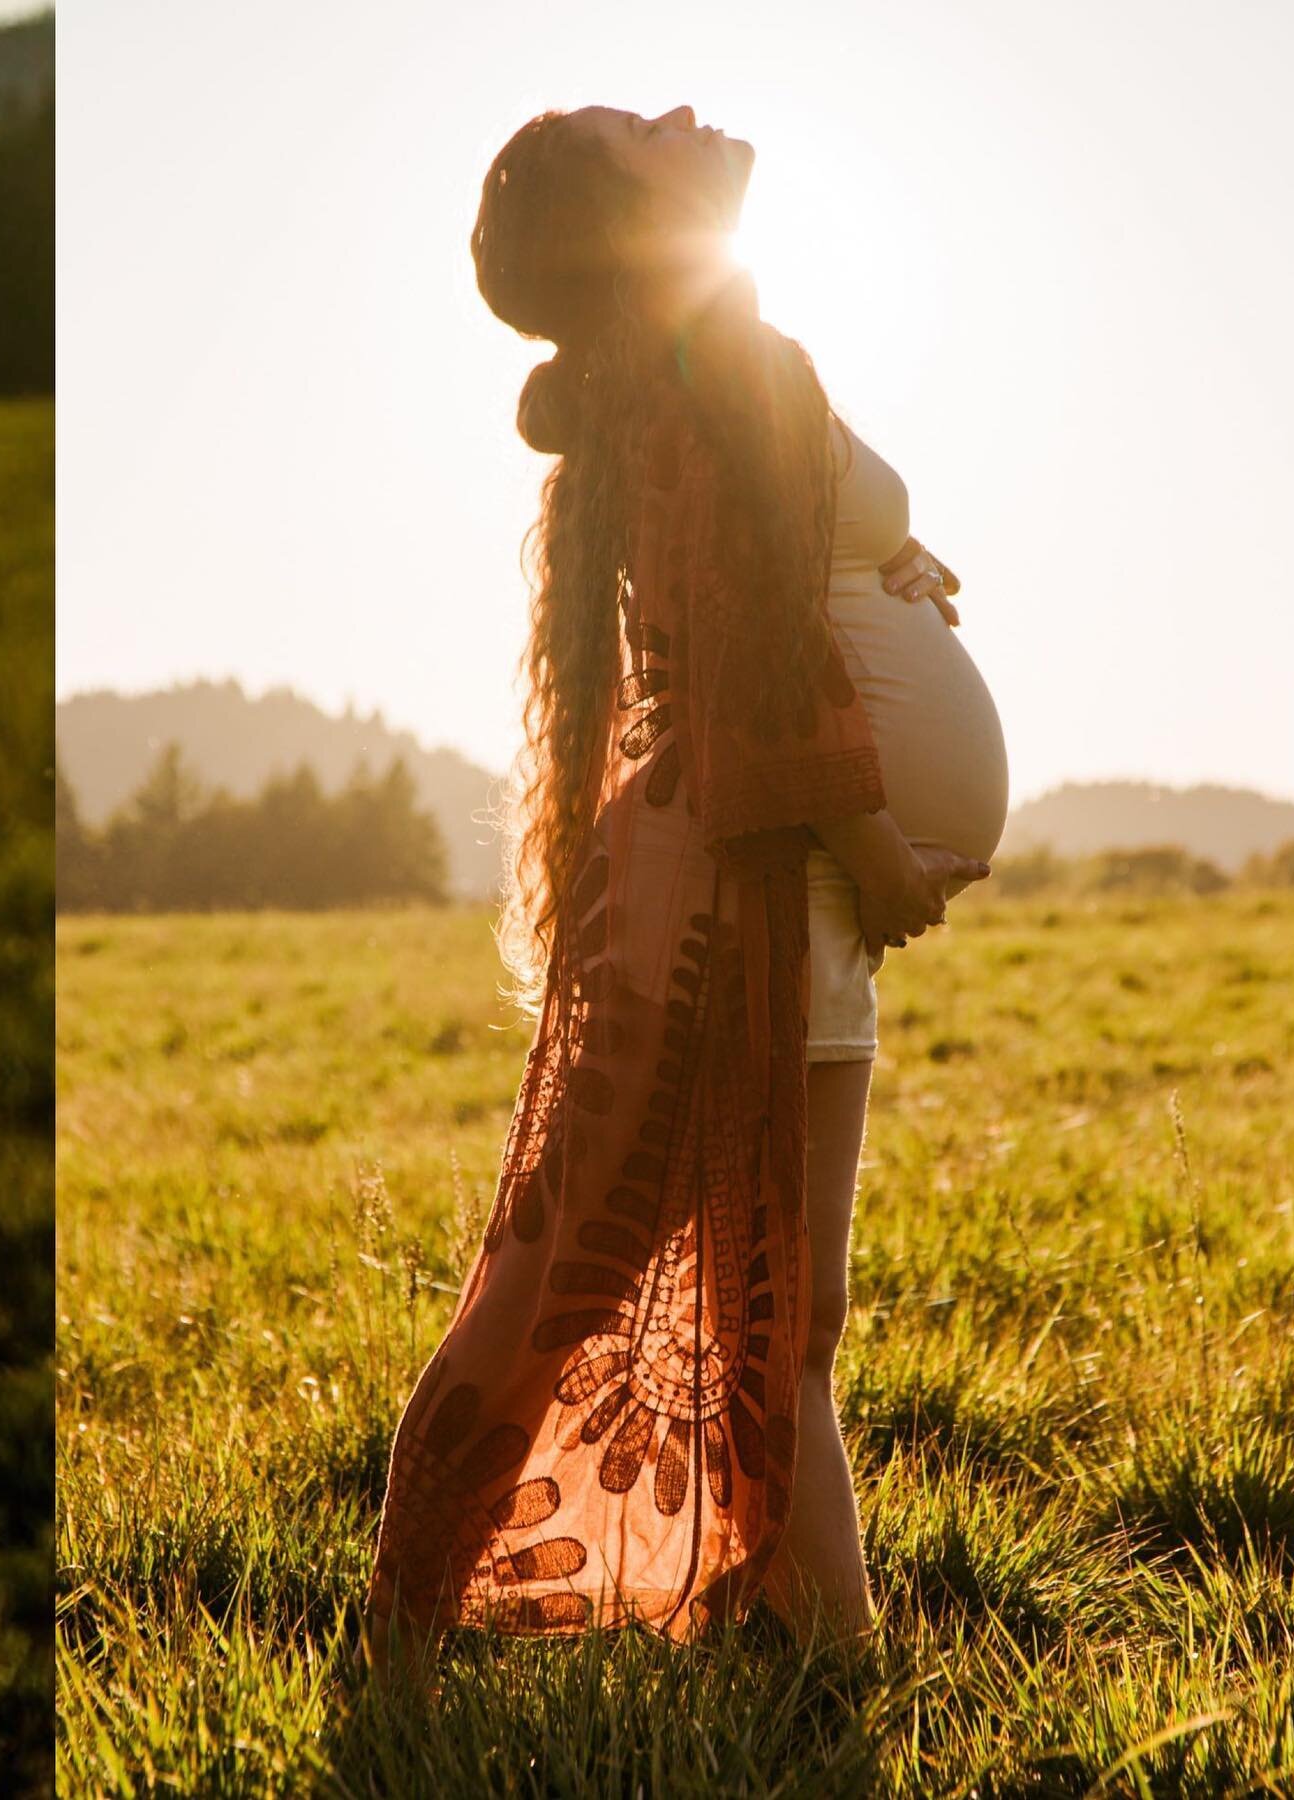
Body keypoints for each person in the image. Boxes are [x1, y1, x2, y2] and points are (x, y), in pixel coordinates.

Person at [364, 104, 990, 1668]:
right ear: (634, 224)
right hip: (768, 883)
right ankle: (434, 1614)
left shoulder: (714, 365)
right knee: (627, 1275)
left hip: (779, 887)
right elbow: (743, 670)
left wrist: (892, 573)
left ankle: (820, 1645)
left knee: (781, 1308)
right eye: (640, 132)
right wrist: (881, 853)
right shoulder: (717, 379)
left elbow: (778, 595)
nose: (684, 119)